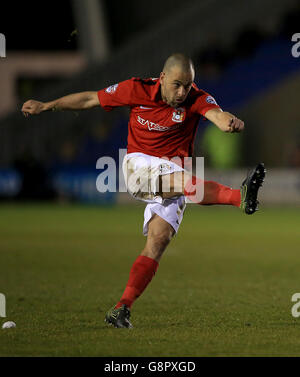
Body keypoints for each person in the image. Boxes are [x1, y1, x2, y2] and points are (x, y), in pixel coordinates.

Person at [21, 53, 266, 329]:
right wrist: (46, 105)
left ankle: (121, 308)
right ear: (162, 78)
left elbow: (217, 115)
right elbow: (91, 99)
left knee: (158, 241)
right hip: (139, 165)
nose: (183, 91)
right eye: (177, 84)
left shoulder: (197, 97)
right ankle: (239, 198)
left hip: (173, 172)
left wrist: (228, 122)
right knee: (186, 181)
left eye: (188, 85)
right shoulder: (137, 89)